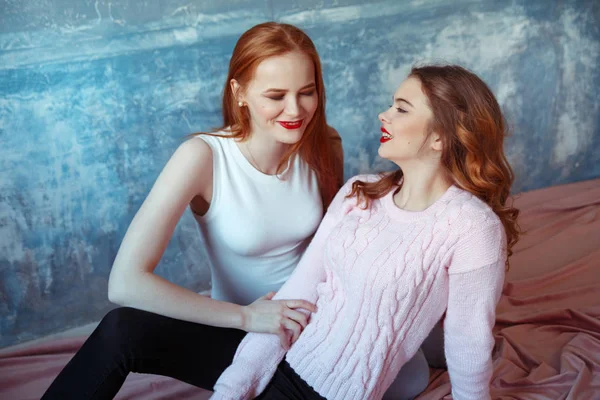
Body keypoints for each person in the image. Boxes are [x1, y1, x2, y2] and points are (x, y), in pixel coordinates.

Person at [41, 22, 430, 400]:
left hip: (311, 326)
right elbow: (124, 283)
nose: (295, 110)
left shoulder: (324, 144)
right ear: (239, 92)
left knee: (410, 374)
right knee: (120, 330)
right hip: (240, 329)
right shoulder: (202, 156)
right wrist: (246, 317)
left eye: (307, 92)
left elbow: (329, 245)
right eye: (275, 96)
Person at [211, 64, 521, 400]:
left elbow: (468, 341)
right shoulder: (358, 192)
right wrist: (231, 389)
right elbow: (296, 295)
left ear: (440, 137)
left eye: (401, 109)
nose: (383, 115)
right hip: (278, 367)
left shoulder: (473, 227)